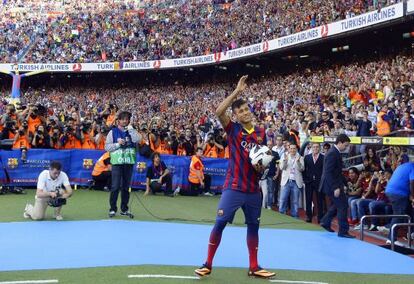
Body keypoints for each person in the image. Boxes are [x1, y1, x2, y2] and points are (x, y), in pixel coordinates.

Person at [194, 75, 275, 279]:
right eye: (240, 111)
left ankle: (254, 267)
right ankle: (207, 264)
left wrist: (261, 167)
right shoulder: (233, 130)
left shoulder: (260, 132)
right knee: (220, 223)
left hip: (253, 190)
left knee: (254, 227)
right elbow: (219, 112)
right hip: (234, 187)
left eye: (246, 109)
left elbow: (259, 161)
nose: (245, 112)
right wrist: (237, 92)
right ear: (236, 116)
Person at [105, 111, 141, 218]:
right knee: (115, 186)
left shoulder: (132, 130)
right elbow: (106, 147)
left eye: (127, 119)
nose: (125, 121)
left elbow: (138, 140)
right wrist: (117, 144)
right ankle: (112, 209)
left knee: (126, 187)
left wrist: (131, 130)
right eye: (123, 119)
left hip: (129, 162)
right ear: (118, 120)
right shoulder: (113, 132)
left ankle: (124, 209)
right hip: (117, 162)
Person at [319, 134, 355, 238]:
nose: (346, 148)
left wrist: (344, 182)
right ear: (339, 142)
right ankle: (343, 231)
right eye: (346, 145)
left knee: (336, 205)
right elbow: (329, 172)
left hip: (333, 184)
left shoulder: (334, 152)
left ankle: (325, 222)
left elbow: (337, 172)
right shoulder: (332, 153)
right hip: (332, 185)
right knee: (343, 206)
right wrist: (335, 187)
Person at [384, 162, 414, 243]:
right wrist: (412, 196)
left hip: (390, 190)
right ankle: (391, 239)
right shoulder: (413, 167)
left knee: (409, 211)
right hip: (398, 193)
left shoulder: (404, 166)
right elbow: (412, 183)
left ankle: (411, 232)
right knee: (399, 214)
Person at [279, 143, 304, 218]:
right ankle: (281, 215)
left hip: (296, 182)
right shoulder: (284, 156)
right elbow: (281, 168)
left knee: (295, 201)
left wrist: (298, 162)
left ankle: (294, 216)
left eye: (294, 148)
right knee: (283, 199)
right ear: (289, 149)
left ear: (296, 149)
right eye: (291, 148)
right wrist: (285, 161)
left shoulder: (300, 157)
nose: (292, 150)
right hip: (286, 181)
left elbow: (302, 169)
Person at [303, 143, 325, 223]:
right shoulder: (307, 157)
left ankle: (320, 218)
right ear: (311, 148)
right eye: (314, 147)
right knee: (308, 199)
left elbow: (324, 171)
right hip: (309, 182)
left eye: (317, 147)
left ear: (319, 148)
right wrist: (305, 179)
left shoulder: (323, 158)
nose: (315, 148)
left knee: (320, 200)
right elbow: (304, 169)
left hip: (319, 183)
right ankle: (308, 216)